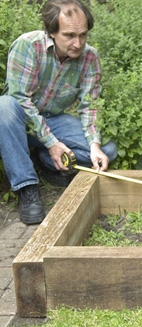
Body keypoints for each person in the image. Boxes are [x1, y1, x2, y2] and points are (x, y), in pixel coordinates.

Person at [0, 0, 117, 225]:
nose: (78, 43)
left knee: (108, 151)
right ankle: (27, 187)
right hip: (15, 123)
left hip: (51, 121)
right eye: (70, 35)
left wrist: (94, 146)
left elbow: (90, 105)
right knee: (4, 105)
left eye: (83, 35)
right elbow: (19, 99)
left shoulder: (90, 58)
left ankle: (44, 160)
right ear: (52, 31)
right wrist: (53, 143)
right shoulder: (27, 46)